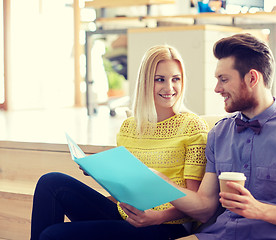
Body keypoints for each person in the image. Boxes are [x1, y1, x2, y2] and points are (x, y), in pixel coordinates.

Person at [159, 33, 276, 239]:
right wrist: (160, 184)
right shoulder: (219, 133)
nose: (217, 89)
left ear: (252, 78)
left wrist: (260, 210)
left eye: (223, 80)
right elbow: (205, 207)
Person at [30, 45, 209, 240]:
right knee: (51, 182)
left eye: (176, 79)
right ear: (145, 82)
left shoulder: (192, 126)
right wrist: (100, 172)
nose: (169, 87)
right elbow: (125, 188)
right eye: (160, 79)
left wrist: (156, 217)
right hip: (127, 214)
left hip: (166, 225)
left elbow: (196, 202)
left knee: (52, 235)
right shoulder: (128, 127)